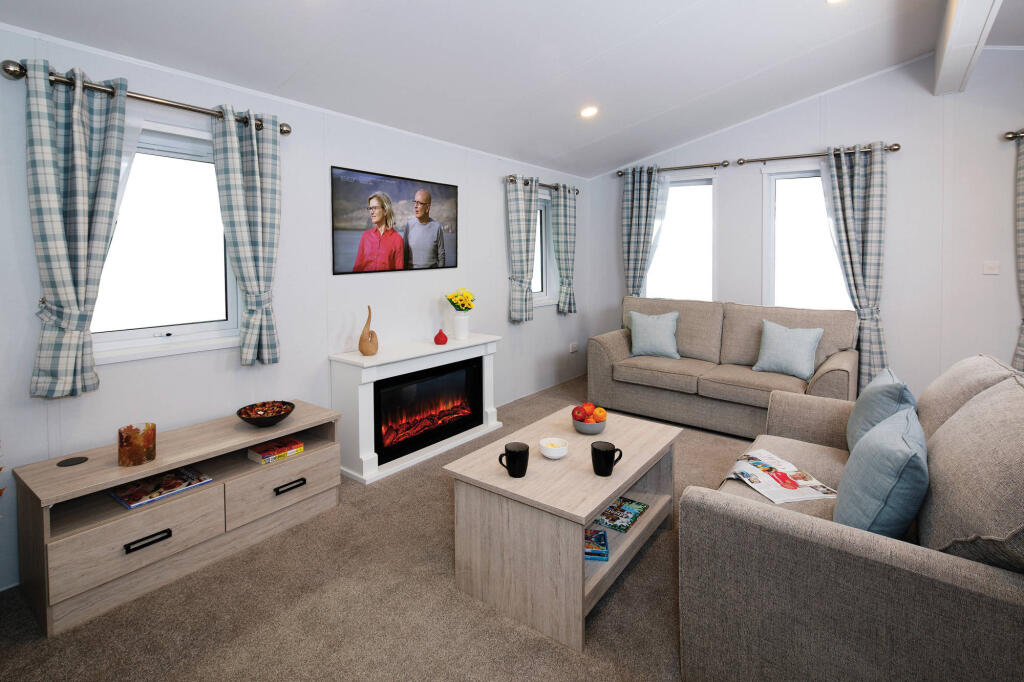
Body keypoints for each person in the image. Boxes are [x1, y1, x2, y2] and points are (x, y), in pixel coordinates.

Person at [352, 191, 404, 272]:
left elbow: (399, 272)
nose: (371, 212)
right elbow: (357, 268)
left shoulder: (397, 239)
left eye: (375, 208)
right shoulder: (365, 236)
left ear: (385, 211)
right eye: (370, 208)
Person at [402, 189, 446, 268]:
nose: (415, 206)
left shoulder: (437, 227)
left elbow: (441, 257)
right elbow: (404, 256)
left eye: (419, 203)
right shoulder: (409, 226)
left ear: (427, 208)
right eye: (415, 202)